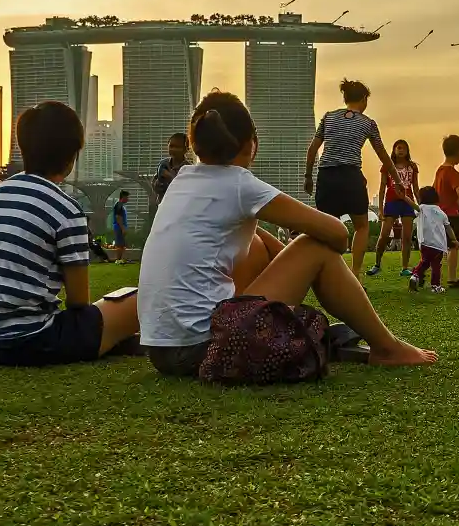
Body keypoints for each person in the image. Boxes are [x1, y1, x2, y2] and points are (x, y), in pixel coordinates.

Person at [139, 90, 436, 376]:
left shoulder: (182, 181)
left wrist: (282, 256)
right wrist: (306, 262)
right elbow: (336, 234)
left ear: (195, 143)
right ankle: (387, 346)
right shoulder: (239, 183)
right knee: (316, 247)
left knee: (255, 243)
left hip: (162, 352)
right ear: (250, 143)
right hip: (207, 349)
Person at [0, 102, 141, 366]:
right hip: (31, 341)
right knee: (139, 298)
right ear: (71, 157)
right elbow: (79, 302)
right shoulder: (67, 210)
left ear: (23, 148)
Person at [305, 79, 413, 279]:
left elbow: (312, 149)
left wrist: (308, 176)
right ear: (364, 99)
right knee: (361, 226)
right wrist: (398, 181)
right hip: (350, 177)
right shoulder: (368, 123)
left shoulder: (328, 117)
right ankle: (354, 274)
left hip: (326, 176)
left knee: (329, 228)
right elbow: (383, 156)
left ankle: (328, 273)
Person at [368, 139, 420, 276]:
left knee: (407, 237)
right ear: (394, 150)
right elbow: (381, 188)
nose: (401, 150)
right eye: (398, 148)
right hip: (391, 202)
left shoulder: (412, 167)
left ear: (408, 151)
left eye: (403, 148)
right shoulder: (387, 166)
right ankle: (377, 264)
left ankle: (404, 267)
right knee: (384, 235)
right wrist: (380, 209)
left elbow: (415, 188)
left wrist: (422, 206)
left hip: (408, 202)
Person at [432, 134, 459, 287]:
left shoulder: (439, 171)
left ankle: (428, 276)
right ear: (458, 152)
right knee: (454, 246)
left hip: (438, 215)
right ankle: (452, 278)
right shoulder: (452, 172)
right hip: (450, 216)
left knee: (439, 248)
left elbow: (433, 191)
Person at [408, 186, 457, 294]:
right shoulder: (441, 212)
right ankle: (435, 286)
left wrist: (404, 197)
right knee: (436, 265)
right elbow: (448, 228)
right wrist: (454, 240)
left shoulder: (421, 208)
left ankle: (415, 276)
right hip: (438, 245)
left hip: (425, 243)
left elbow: (413, 205)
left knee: (425, 262)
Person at [152, 132, 189, 202]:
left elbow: (186, 190)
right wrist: (157, 183)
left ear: (186, 149)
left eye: (178, 147)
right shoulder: (163, 164)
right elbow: (154, 185)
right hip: (162, 204)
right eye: (171, 146)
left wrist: (170, 177)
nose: (173, 149)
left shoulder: (188, 168)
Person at [111, 190, 130, 264]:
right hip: (119, 227)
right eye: (127, 197)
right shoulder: (119, 205)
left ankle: (120, 259)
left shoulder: (121, 205)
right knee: (119, 244)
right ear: (124, 197)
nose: (128, 199)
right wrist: (122, 228)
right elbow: (118, 217)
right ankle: (118, 259)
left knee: (122, 244)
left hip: (120, 227)